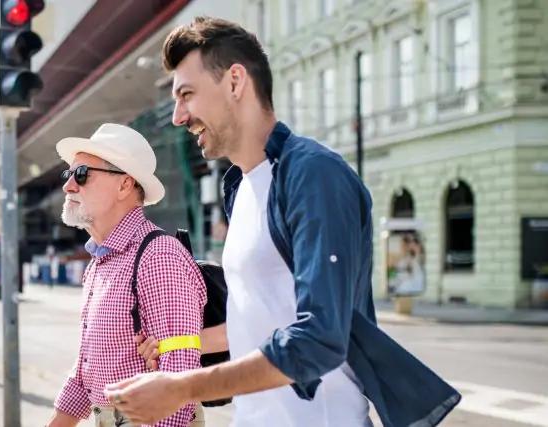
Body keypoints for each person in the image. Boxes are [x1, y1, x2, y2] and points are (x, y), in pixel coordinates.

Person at [104, 16, 461, 427]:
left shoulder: (314, 175)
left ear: (235, 82)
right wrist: (176, 347)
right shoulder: (239, 186)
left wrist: (183, 388)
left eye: (187, 95)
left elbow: (319, 339)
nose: (178, 117)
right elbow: (260, 321)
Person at [47, 123, 209, 427]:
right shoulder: (99, 263)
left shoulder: (158, 256)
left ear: (124, 185)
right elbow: (86, 375)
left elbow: (179, 377)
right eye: (68, 175)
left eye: (81, 175)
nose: (69, 186)